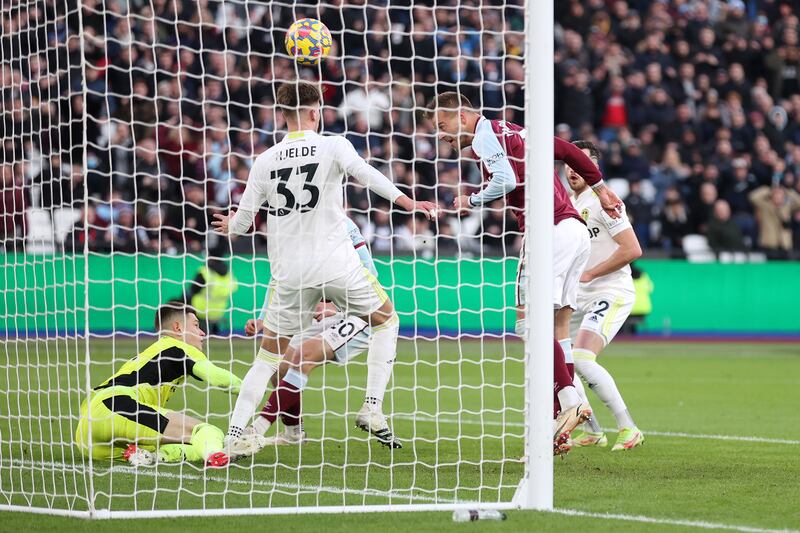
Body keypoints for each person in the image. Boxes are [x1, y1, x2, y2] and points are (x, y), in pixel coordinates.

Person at [212, 81, 438, 457]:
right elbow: (366, 174)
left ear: (281, 115)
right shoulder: (333, 145)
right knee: (387, 319)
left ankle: (234, 433)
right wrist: (408, 202)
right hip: (337, 264)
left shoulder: (265, 160)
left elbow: (242, 222)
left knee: (268, 359)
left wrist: (230, 226)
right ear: (316, 111)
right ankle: (371, 406)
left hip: (289, 272)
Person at [429, 91, 622, 454]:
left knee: (527, 323)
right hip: (574, 231)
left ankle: (569, 403)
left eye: (442, 125)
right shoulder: (515, 131)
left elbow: (503, 181)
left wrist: (470, 201)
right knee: (557, 329)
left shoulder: (487, 137)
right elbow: (568, 150)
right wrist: (600, 188)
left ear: (463, 115)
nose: (440, 135)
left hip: (548, 231)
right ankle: (557, 421)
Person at [243, 217, 401, 448]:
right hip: (315, 313)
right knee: (279, 365)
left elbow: (370, 273)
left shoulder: (344, 226)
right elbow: (279, 279)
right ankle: (293, 433)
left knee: (302, 358)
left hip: (352, 312)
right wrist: (263, 318)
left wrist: (335, 306)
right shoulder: (291, 226)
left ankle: (255, 430)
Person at [74, 301, 242, 467]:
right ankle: (216, 456)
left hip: (86, 433)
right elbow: (217, 376)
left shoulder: (156, 350)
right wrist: (251, 388)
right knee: (207, 432)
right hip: (116, 406)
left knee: (184, 446)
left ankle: (156, 457)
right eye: (196, 325)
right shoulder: (178, 346)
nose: (203, 332)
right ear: (178, 328)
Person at [565, 140, 644, 452]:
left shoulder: (605, 200)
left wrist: (591, 273)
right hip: (578, 294)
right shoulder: (566, 204)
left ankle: (629, 428)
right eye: (568, 163)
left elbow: (633, 249)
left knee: (583, 358)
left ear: (593, 169)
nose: (572, 169)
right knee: (562, 362)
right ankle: (593, 430)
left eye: (579, 163)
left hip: (610, 290)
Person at [184, 255, 238, 335]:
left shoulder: (205, 273)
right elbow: (234, 288)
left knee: (186, 295)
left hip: (200, 310)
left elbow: (193, 289)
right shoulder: (229, 275)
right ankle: (214, 331)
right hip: (219, 311)